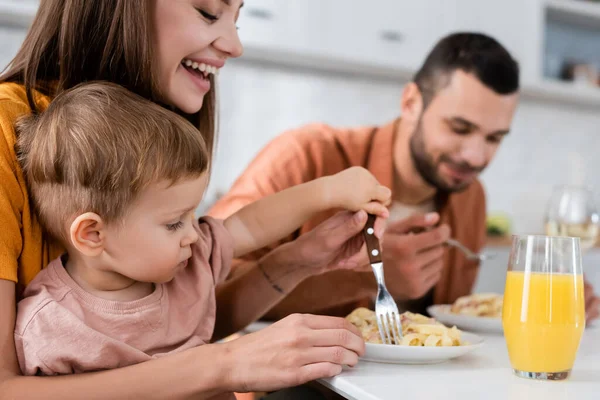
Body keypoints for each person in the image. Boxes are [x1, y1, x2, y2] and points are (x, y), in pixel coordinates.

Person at [0, 1, 387, 398]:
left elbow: (181, 331)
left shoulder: (150, 167)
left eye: (237, 19)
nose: (236, 45)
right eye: (207, 11)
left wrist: (303, 253)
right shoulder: (52, 322)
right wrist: (228, 363)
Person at [209, 32, 600, 321]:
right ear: (411, 102)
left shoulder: (470, 195)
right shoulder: (307, 155)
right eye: (460, 129)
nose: (476, 156)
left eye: (494, 138)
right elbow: (208, 293)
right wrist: (370, 279)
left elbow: (443, 323)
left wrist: (539, 304)